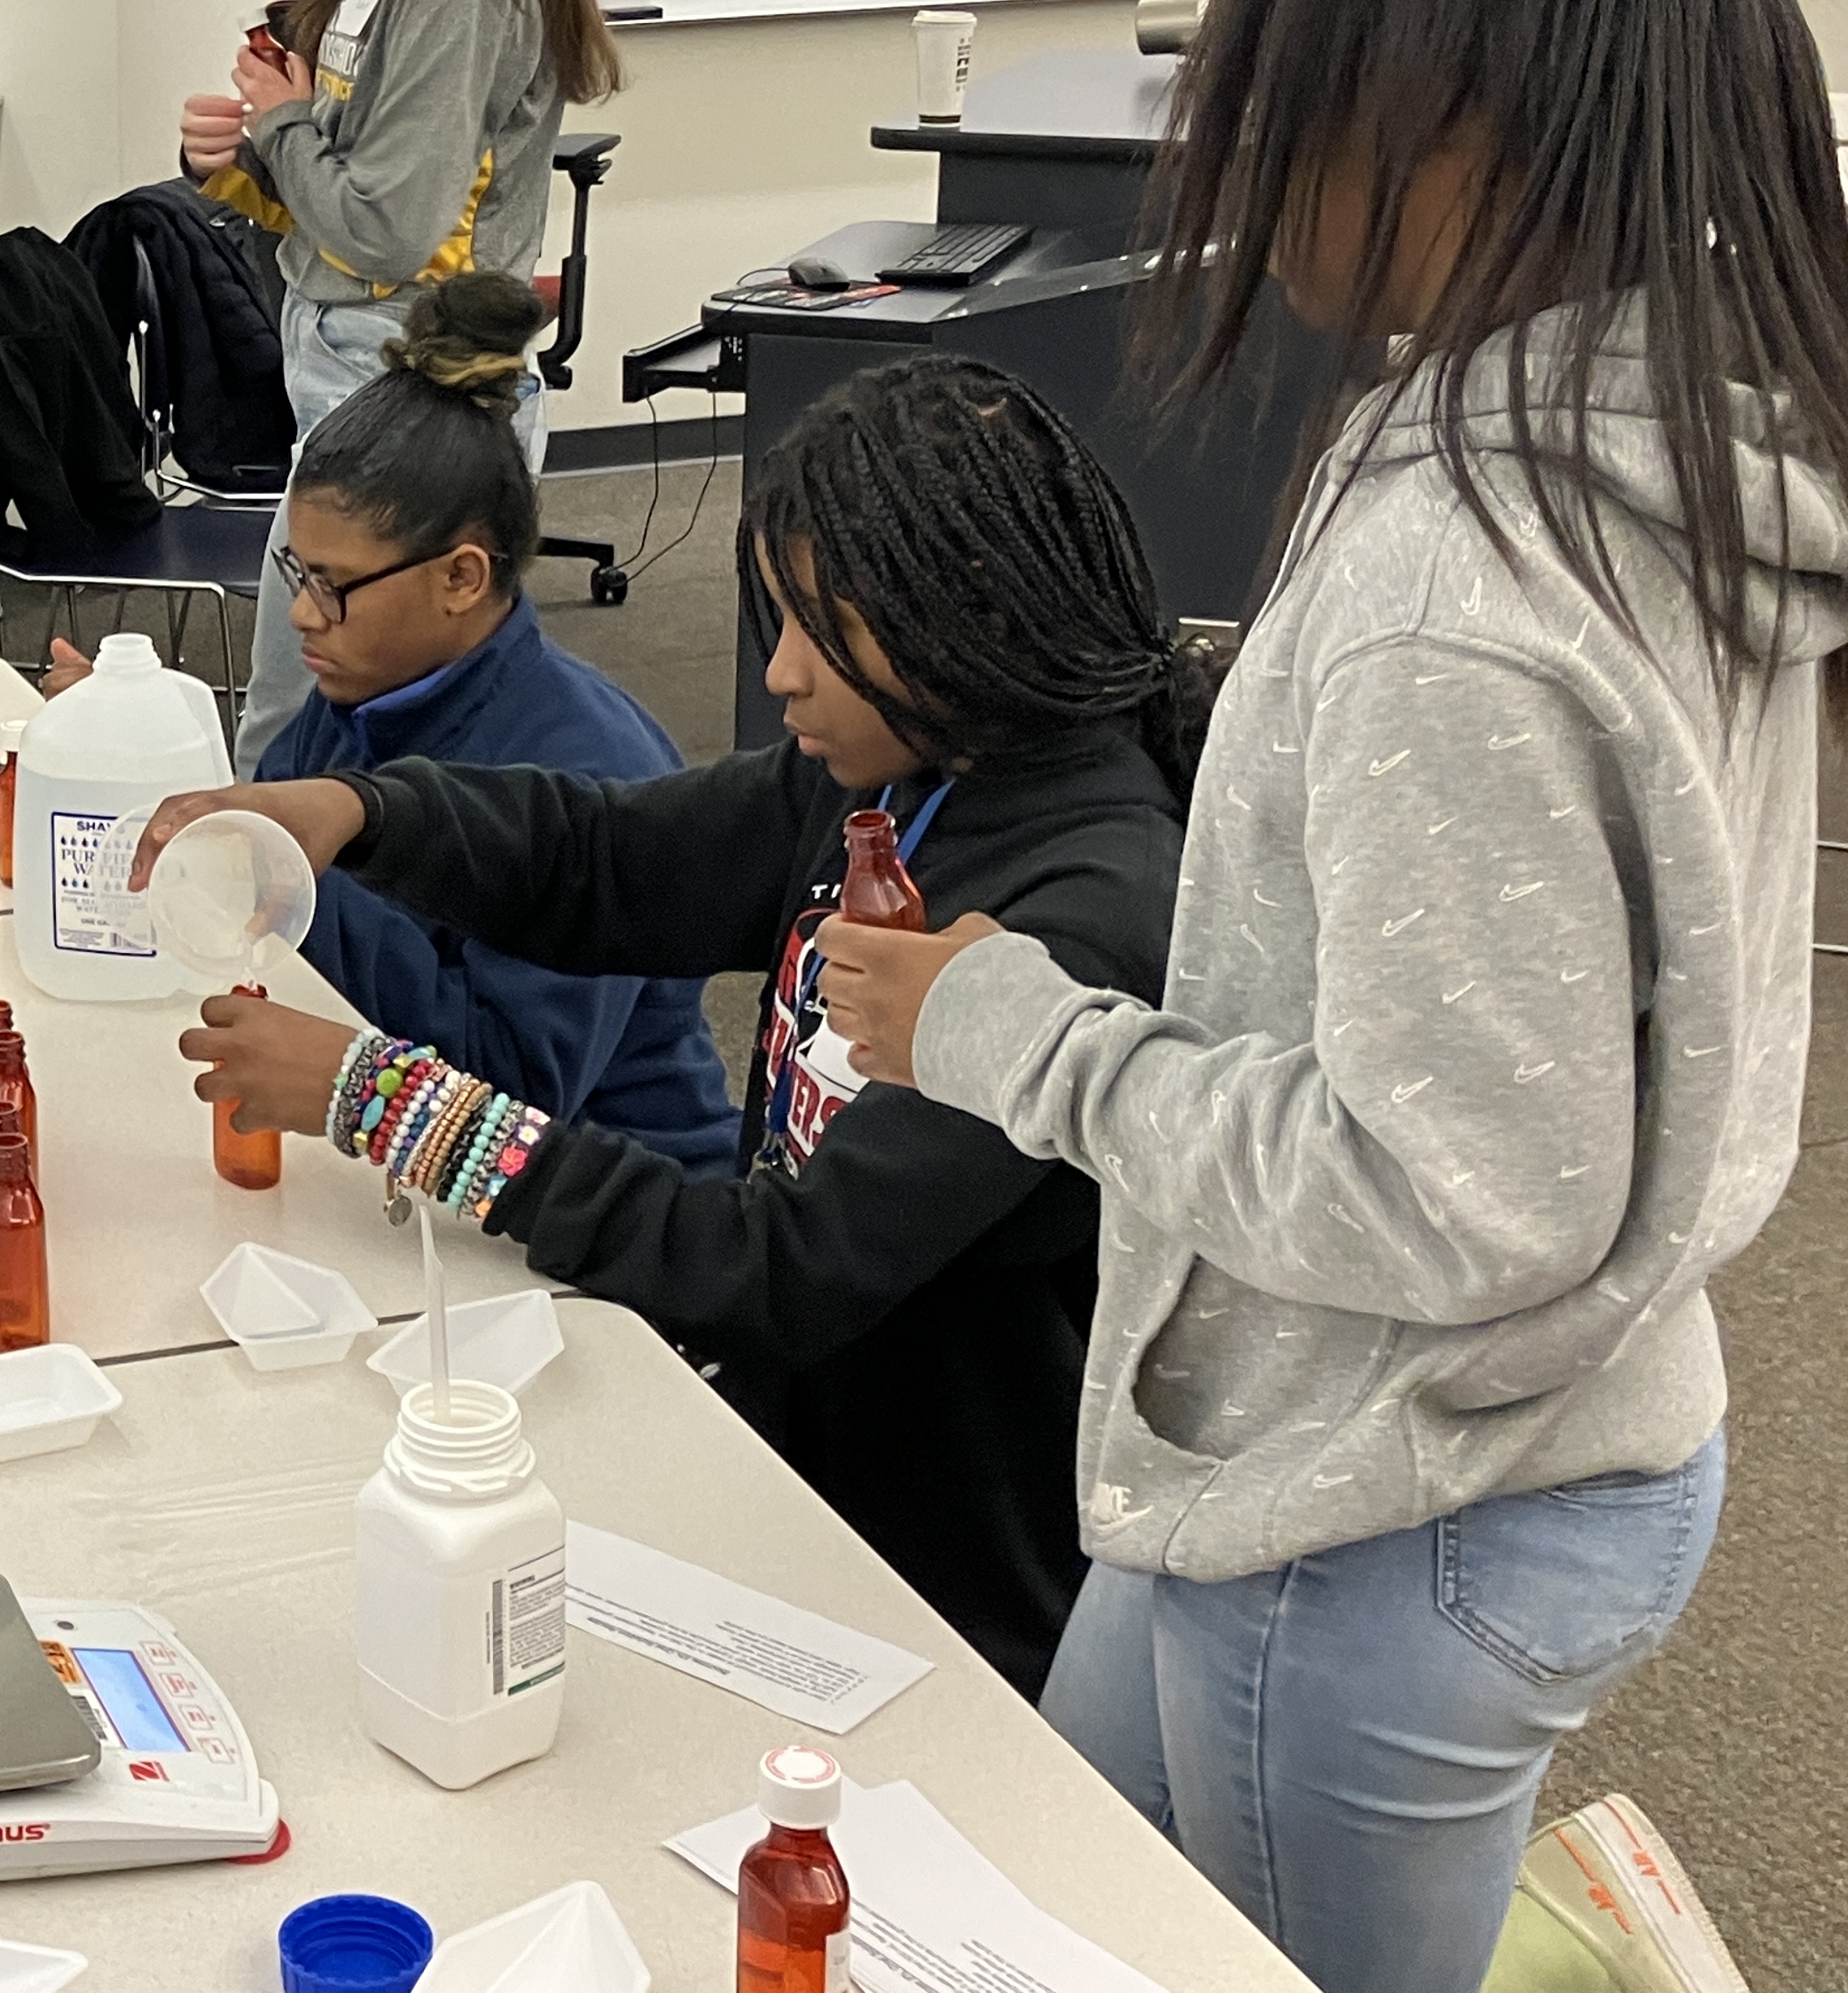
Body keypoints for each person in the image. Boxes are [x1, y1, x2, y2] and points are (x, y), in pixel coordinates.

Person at [811, 0, 1848, 1993]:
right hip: (1429, 1444)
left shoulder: (1458, 588)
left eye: (1298, 99)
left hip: (1388, 1511)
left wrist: (1008, 1033)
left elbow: (1459, 1193)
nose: (1243, 158)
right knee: (1063, 1884)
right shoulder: (1668, 450)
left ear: (1476, 137)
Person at [142, 356, 1201, 1697]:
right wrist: (370, 817)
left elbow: (784, 1266)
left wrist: (384, 1103)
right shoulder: (896, 774)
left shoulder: (1082, 914)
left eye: (829, 632)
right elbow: (608, 862)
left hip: (951, 1588)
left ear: (967, 617)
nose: (783, 675)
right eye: (779, 621)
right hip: (799, 1482)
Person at [48, 273, 729, 1164]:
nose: (302, 616)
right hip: (406, 1147)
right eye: (299, 575)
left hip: (605, 1217)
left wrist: (294, 866)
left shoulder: (591, 766)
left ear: (462, 578)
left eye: (334, 586)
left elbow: (515, 1089)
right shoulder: (357, 696)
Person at [177, 0, 618, 770]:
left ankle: (300, 953)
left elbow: (387, 226)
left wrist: (281, 128)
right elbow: (366, 183)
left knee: (303, 739)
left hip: (398, 388)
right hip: (369, 375)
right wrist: (245, 157)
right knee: (338, 732)